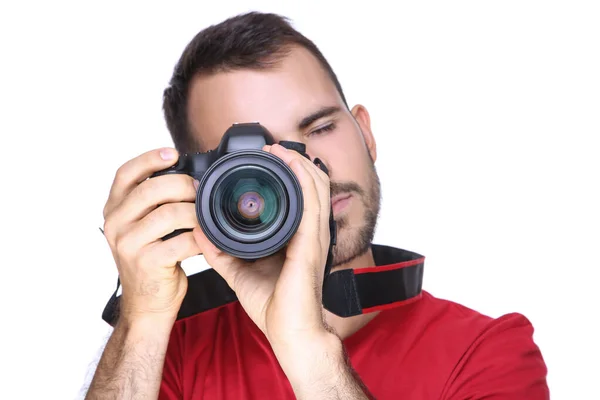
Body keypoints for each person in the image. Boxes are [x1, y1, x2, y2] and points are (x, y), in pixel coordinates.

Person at [86, 11, 549, 400]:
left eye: (321, 128)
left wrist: (308, 348)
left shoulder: (488, 351)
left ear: (364, 132)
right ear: (201, 187)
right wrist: (142, 322)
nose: (312, 170)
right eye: (258, 157)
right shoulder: (169, 351)